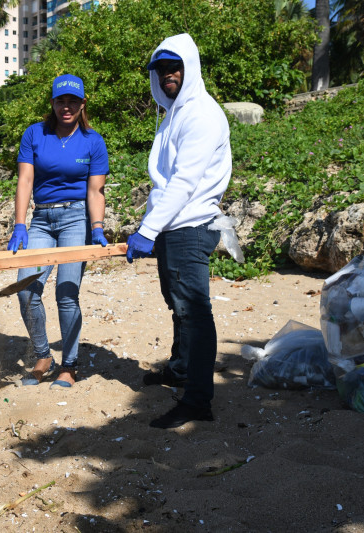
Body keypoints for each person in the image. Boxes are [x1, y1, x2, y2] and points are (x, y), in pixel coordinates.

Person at [126, 33, 232, 429]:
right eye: (160, 68)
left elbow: (185, 182)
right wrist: (153, 227)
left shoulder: (201, 114)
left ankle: (198, 401)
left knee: (194, 312)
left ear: (190, 67)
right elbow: (166, 180)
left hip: (190, 225)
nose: (167, 74)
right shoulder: (174, 113)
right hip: (173, 226)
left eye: (175, 66)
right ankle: (181, 369)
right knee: (179, 306)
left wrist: (147, 230)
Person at [7, 74, 109, 389]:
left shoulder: (93, 141)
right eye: (61, 100)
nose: (67, 107)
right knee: (26, 289)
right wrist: (20, 223)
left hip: (76, 218)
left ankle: (69, 365)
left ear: (82, 104)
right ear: (52, 103)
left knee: (66, 293)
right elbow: (25, 180)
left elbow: (95, 191)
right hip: (41, 219)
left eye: (73, 101)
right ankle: (43, 356)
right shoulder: (35, 134)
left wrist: (97, 227)